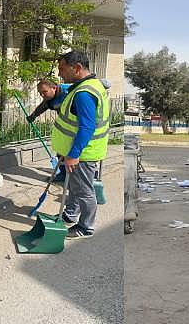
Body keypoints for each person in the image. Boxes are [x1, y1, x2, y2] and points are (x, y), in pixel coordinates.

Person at [51, 50, 110, 238]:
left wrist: (74, 154)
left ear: (76, 68)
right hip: (76, 151)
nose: (60, 74)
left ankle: (86, 227)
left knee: (84, 191)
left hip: (83, 153)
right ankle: (70, 215)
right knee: (75, 188)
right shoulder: (88, 85)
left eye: (62, 69)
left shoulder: (84, 93)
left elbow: (86, 127)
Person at [27, 79, 71, 182]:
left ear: (54, 88)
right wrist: (33, 115)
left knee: (74, 153)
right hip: (64, 127)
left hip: (76, 127)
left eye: (44, 92)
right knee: (61, 150)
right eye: (40, 93)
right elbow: (44, 106)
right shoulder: (50, 98)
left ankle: (80, 177)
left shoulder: (68, 91)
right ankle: (63, 175)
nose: (42, 95)